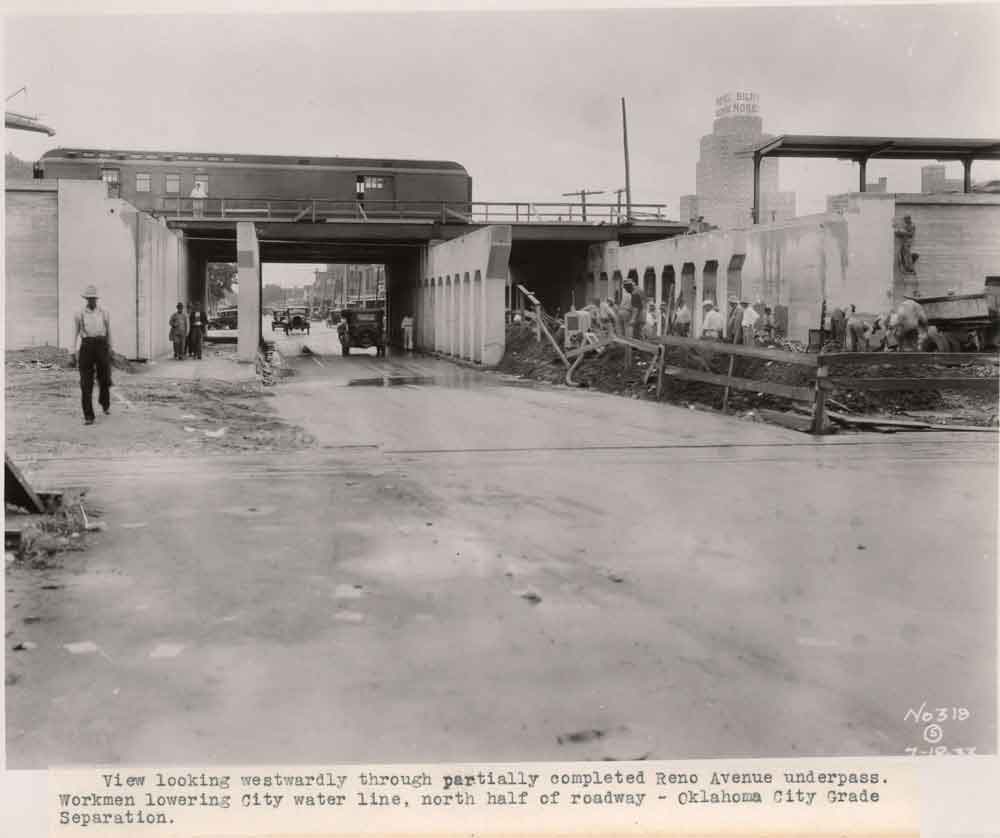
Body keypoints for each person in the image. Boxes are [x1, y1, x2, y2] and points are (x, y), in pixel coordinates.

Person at [74, 285, 113, 426]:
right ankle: (88, 416)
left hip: (101, 345)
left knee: (105, 378)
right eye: (89, 298)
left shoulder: (104, 312)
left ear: (97, 299)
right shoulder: (79, 314)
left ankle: (105, 402)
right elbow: (76, 333)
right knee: (85, 383)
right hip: (86, 346)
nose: (91, 301)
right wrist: (73, 351)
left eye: (93, 298)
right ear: (86, 299)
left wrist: (110, 348)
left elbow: (109, 331)